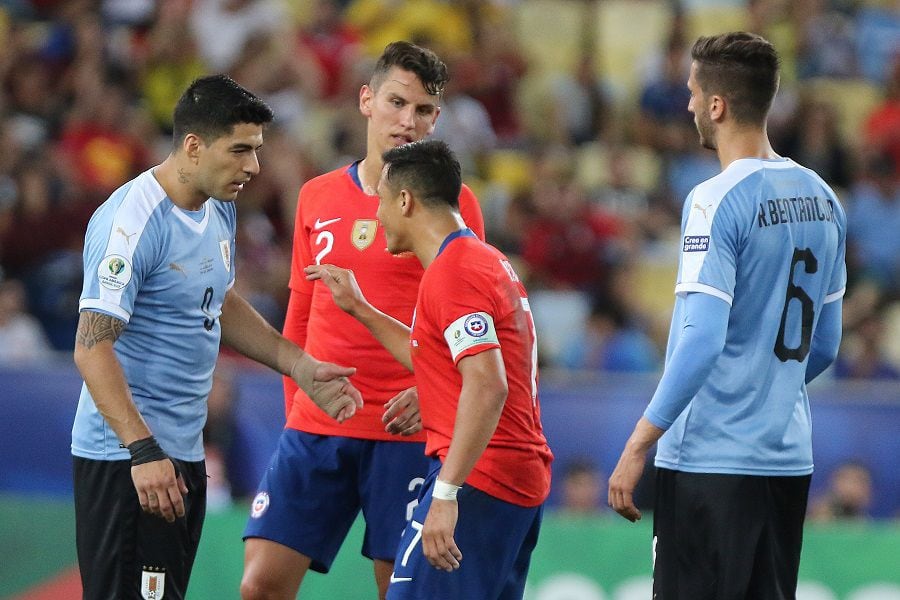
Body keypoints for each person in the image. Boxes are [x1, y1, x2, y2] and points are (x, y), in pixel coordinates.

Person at [71, 74, 363, 600]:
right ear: (193, 146)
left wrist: (299, 365)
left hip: (181, 455)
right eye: (241, 150)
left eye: (257, 150)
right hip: (127, 461)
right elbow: (92, 348)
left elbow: (218, 299)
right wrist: (142, 452)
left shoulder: (217, 205)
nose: (253, 166)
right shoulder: (131, 223)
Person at [240, 41, 485, 600]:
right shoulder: (316, 196)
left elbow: (473, 320)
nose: (408, 121)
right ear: (366, 100)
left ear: (436, 119)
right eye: (397, 102)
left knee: (396, 594)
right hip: (317, 429)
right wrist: (297, 407)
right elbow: (300, 313)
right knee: (259, 586)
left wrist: (436, 394)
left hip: (405, 430)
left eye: (423, 111)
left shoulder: (456, 204)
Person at [607, 32, 846, 599]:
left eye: (692, 93)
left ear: (716, 105)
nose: (688, 104)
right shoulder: (824, 197)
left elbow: (700, 343)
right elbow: (827, 344)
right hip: (787, 460)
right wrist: (767, 386)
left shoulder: (714, 198)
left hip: (709, 461)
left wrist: (639, 442)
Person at [307, 139, 553, 600]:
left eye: (381, 200)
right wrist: (359, 308)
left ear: (405, 201)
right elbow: (434, 356)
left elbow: (488, 385)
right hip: (511, 476)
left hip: (484, 478)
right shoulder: (481, 259)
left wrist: (446, 492)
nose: (377, 215)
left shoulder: (455, 272)